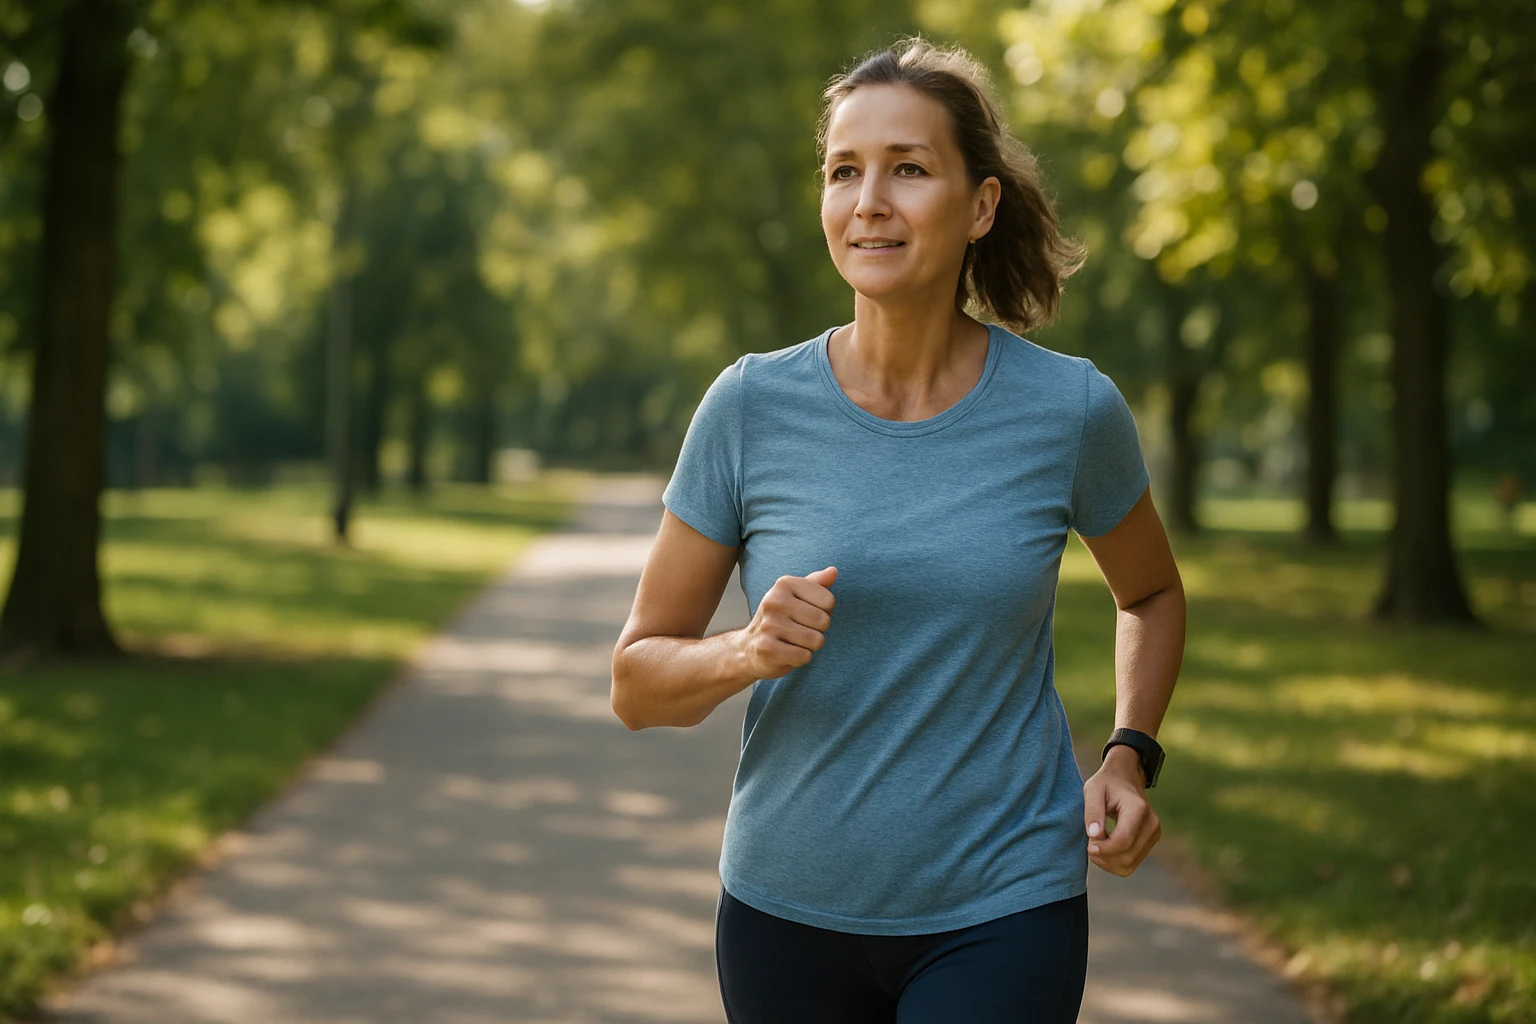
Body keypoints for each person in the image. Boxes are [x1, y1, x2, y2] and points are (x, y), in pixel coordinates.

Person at [611, 37, 1185, 1024]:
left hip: (1003, 904)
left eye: (908, 169)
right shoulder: (750, 406)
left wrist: (1130, 752)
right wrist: (746, 650)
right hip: (783, 913)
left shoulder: (1070, 410)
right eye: (845, 171)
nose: (868, 200)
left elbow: (1151, 593)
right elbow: (636, 684)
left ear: (981, 206)